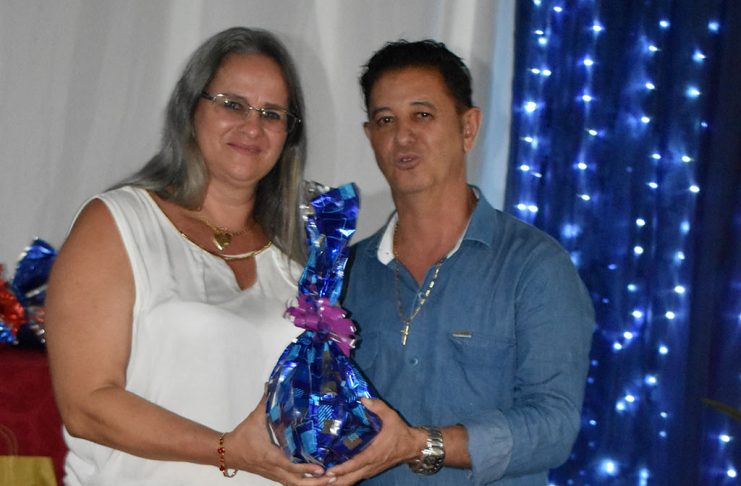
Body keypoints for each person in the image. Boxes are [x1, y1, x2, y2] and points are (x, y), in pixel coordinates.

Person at [45, 27, 337, 486]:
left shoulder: (302, 257)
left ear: (289, 133)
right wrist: (226, 449)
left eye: (272, 114)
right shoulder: (118, 223)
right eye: (233, 104)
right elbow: (87, 406)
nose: (253, 127)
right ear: (190, 109)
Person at [325, 40, 595, 485]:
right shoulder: (345, 274)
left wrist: (421, 444)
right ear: (370, 135)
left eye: (422, 115)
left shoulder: (534, 266)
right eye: (386, 120)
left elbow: (553, 426)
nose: (403, 136)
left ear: (468, 128)